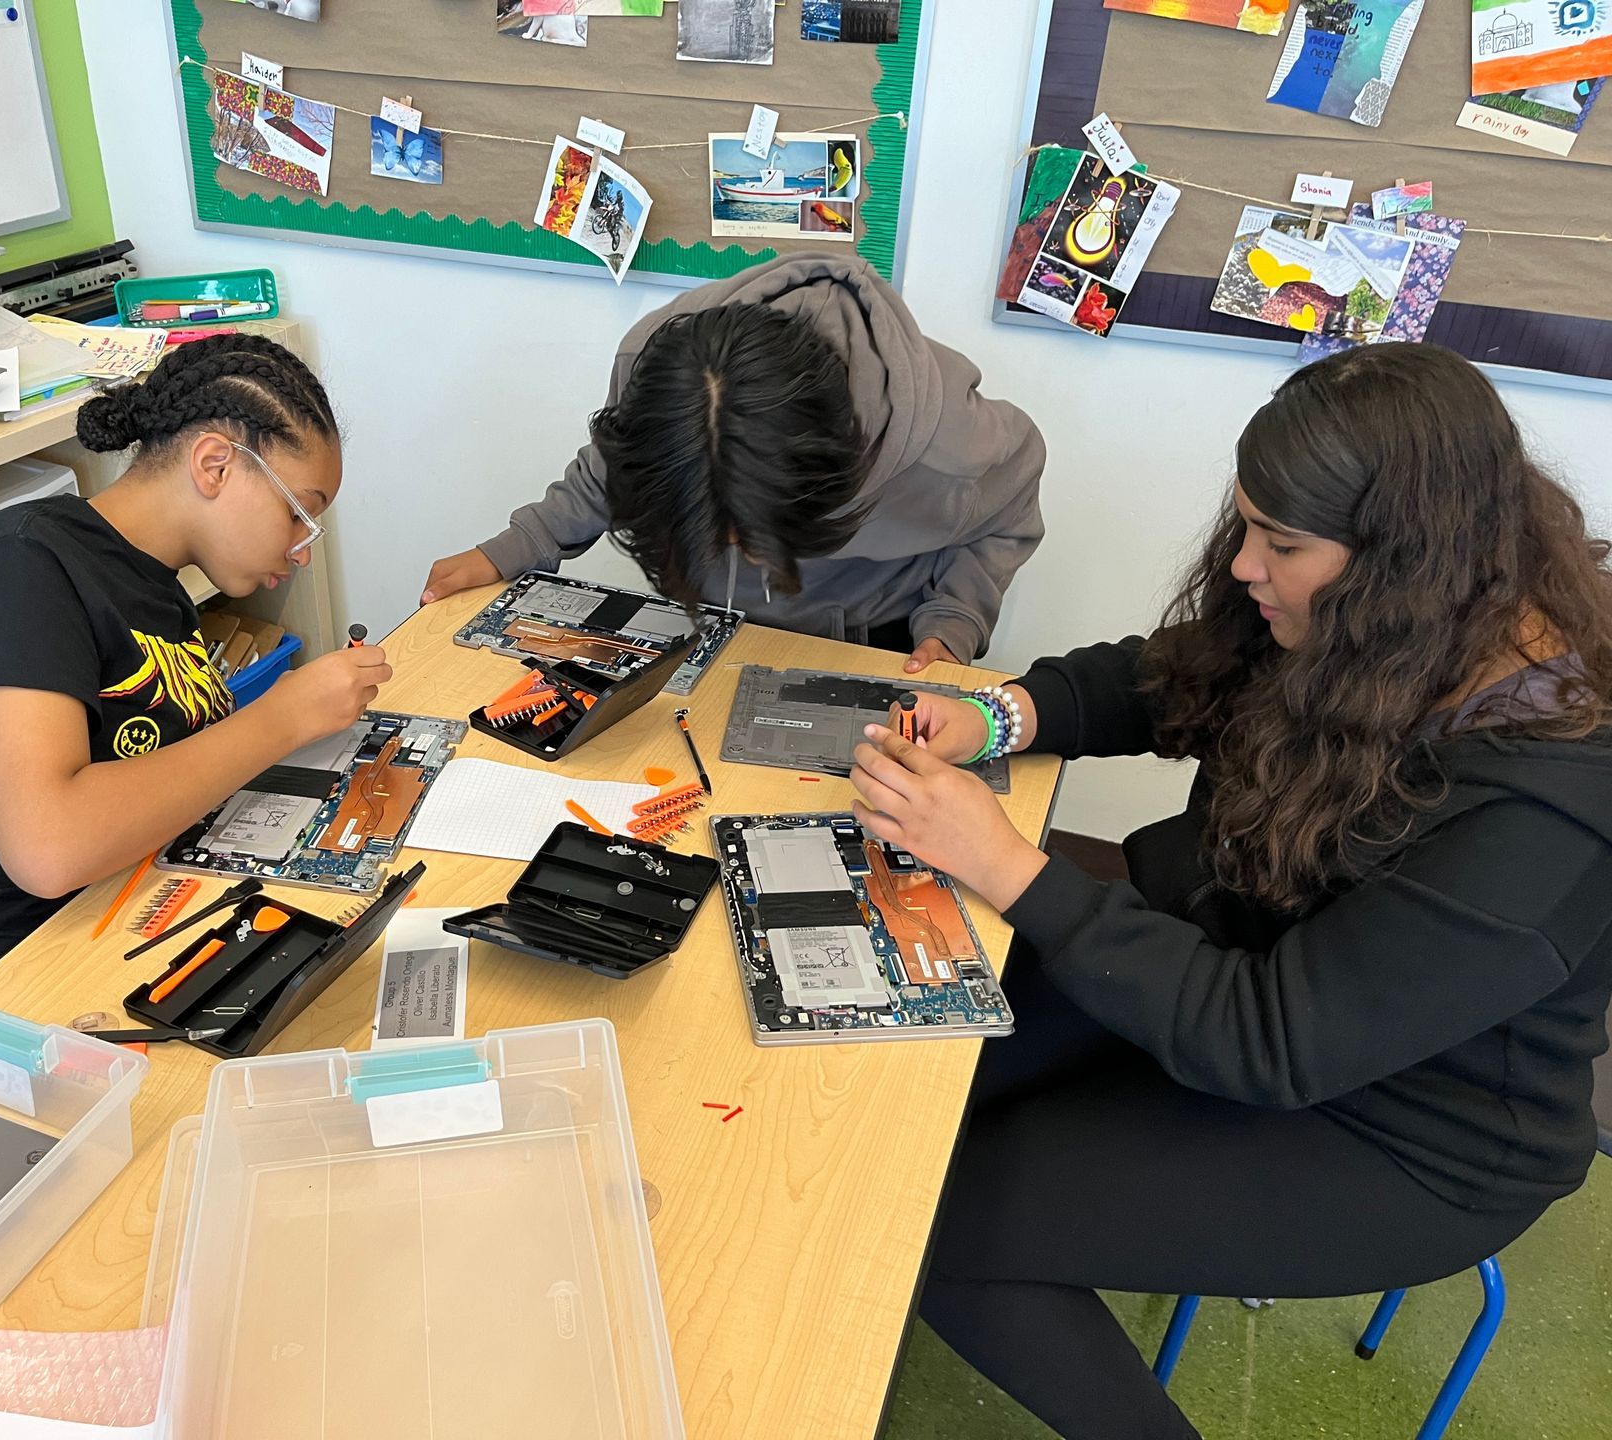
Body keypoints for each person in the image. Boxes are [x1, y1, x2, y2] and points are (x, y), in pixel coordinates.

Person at [845, 345, 1612, 1439]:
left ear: (1399, 560)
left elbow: (1272, 1045)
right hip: (1243, 975)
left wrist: (1009, 868)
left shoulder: (1547, 815)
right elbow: (1177, 674)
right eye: (1248, 524)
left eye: (1281, 544)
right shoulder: (1394, 619)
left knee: (948, 1218)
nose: (1247, 566)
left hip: (1407, 1132)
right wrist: (998, 717)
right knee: (919, 1073)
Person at [0, 336, 391, 989]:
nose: (302, 548)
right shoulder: (19, 567)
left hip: (137, 906)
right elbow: (47, 850)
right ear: (216, 464)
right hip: (17, 972)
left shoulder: (160, 584)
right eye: (299, 512)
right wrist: (281, 720)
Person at [420, 253, 1046, 672]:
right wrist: (514, 546)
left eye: (747, 533)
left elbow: (1007, 520)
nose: (734, 550)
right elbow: (617, 468)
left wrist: (951, 626)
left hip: (866, 638)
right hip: (704, 621)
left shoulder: (950, 455)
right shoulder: (655, 360)